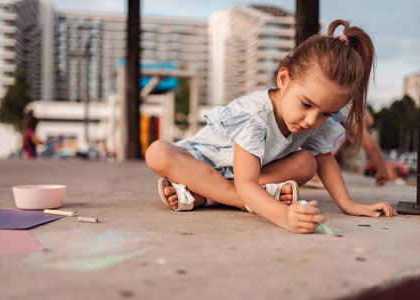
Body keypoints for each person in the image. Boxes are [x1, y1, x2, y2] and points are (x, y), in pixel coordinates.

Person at [145, 20, 396, 234]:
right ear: (284, 80)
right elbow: (245, 183)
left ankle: (206, 196)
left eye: (326, 113)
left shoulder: (314, 118)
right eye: (306, 104)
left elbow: (325, 161)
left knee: (308, 162)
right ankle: (245, 199)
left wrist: (348, 204)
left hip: (250, 176)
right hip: (203, 164)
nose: (312, 120)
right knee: (157, 152)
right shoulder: (255, 116)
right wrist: (282, 215)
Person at [306, 107, 390, 187]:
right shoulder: (347, 105)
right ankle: (312, 171)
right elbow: (367, 140)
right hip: (312, 156)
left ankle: (312, 170)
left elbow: (369, 121)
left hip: (307, 152)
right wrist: (382, 169)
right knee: (341, 131)